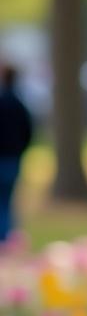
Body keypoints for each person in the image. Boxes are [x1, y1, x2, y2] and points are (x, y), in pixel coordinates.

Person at [0, 61, 34, 245]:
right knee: (8, 200)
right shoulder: (21, 104)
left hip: (4, 158)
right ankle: (7, 236)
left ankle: (4, 236)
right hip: (14, 158)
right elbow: (28, 131)